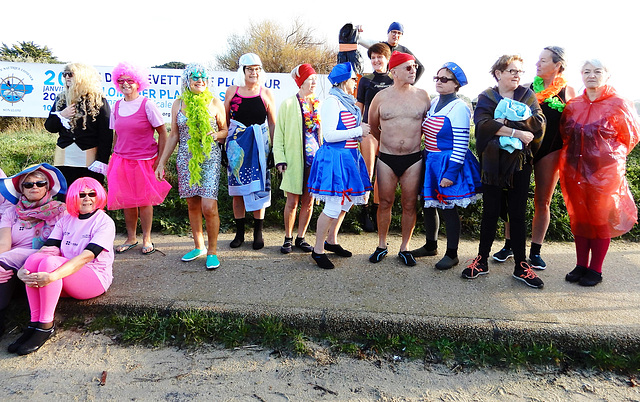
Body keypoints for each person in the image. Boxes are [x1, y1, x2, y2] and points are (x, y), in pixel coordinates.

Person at [463, 55, 546, 289]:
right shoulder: (486, 97)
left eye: (520, 71)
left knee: (518, 214)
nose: (517, 75)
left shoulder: (527, 96)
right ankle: (481, 260)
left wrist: (503, 122)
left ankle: (521, 265)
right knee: (490, 212)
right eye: (512, 71)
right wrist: (517, 132)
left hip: (520, 164)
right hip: (492, 165)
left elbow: (538, 124)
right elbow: (483, 125)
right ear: (498, 74)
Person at [8, 177, 115, 355]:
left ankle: (46, 325)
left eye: (92, 194)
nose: (87, 198)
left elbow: (85, 257)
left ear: (99, 196)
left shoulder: (104, 222)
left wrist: (53, 276)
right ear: (73, 197)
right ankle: (34, 322)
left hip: (94, 278)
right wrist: (22, 270)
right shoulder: (66, 220)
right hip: (64, 277)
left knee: (49, 262)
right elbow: (47, 249)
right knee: (35, 260)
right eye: (82, 194)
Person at [493, 47, 576, 269]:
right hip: (524, 149)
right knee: (514, 197)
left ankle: (536, 250)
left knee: (543, 201)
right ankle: (509, 245)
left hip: (551, 151)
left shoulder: (568, 91)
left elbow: (575, 126)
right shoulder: (526, 88)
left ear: (557, 65)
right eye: (538, 60)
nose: (537, 64)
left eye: (543, 60)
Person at [559, 59, 639, 286]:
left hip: (605, 172)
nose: (591, 75)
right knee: (579, 217)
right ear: (581, 75)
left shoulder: (619, 104)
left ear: (607, 74)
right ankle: (580, 264)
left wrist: (608, 160)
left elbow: (630, 137)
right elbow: (565, 133)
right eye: (586, 71)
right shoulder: (573, 104)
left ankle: (596, 268)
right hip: (574, 170)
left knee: (600, 218)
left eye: (597, 71)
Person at [155, 64, 228, 270]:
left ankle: (212, 251)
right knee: (192, 205)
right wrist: (161, 163)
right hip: (186, 160)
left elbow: (225, 130)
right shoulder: (178, 103)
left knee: (208, 206)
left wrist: (217, 135)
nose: (200, 81)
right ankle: (199, 246)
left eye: (203, 78)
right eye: (195, 77)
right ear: (187, 80)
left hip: (209, 159)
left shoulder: (215, 102)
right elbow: (173, 135)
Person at [416, 63, 482, 270]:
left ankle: (452, 254)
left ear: (456, 85)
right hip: (431, 159)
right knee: (429, 204)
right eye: (437, 78)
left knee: (449, 207)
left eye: (445, 79)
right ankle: (430, 245)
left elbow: (462, 143)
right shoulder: (434, 102)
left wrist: (451, 173)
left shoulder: (459, 107)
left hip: (449, 161)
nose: (439, 82)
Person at [367, 51, 430, 266]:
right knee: (384, 203)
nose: (414, 70)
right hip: (386, 158)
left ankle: (405, 247)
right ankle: (382, 245)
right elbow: (373, 127)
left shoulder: (422, 96)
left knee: (410, 204)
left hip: (413, 158)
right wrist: (387, 145)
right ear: (393, 71)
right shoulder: (381, 97)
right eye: (408, 67)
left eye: (414, 66)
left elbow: (427, 126)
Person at [307, 62, 372, 269]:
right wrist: (358, 130)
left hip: (349, 157)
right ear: (344, 80)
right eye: (354, 79)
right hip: (335, 157)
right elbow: (329, 135)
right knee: (333, 206)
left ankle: (331, 241)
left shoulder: (348, 102)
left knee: (347, 202)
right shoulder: (332, 102)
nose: (356, 82)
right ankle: (317, 250)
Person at [108, 62, 172, 256]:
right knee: (127, 201)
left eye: (130, 80)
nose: (125, 84)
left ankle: (146, 238)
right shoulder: (116, 106)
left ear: (138, 83)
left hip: (145, 160)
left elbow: (163, 133)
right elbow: (116, 134)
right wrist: (114, 153)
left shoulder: (147, 104)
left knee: (144, 201)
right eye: (121, 81)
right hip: (122, 160)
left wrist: (160, 161)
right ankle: (131, 238)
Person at [0, 164, 67, 336]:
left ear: (48, 187)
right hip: (11, 261)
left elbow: (62, 245)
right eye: (28, 184)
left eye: (40, 183)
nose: (34, 187)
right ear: (21, 189)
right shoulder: (11, 212)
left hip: (44, 257)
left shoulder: (60, 210)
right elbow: (4, 245)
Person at [224, 53, 276, 250]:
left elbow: (272, 123)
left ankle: (258, 233)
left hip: (259, 147)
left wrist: (274, 150)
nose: (253, 72)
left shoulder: (266, 93)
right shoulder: (232, 92)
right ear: (243, 71)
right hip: (236, 147)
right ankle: (239, 234)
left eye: (257, 69)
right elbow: (225, 121)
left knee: (259, 189)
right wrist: (224, 146)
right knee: (238, 192)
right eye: (249, 69)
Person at [273, 64, 321, 254]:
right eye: (311, 79)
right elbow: (279, 135)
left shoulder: (317, 103)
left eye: (315, 79)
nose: (314, 82)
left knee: (308, 202)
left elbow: (320, 134)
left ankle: (301, 238)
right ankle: (288, 238)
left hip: (315, 161)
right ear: (301, 82)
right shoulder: (288, 104)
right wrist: (280, 159)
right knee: (292, 201)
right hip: (293, 161)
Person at [44, 63, 113, 189]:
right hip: (64, 156)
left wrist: (102, 160)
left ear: (83, 77)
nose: (66, 77)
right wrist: (61, 115)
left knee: (88, 194)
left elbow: (106, 134)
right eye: (64, 74)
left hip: (89, 158)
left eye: (70, 74)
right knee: (65, 196)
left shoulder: (98, 100)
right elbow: (50, 127)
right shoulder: (61, 98)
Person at [355, 43, 393, 232]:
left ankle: (379, 211)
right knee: (367, 171)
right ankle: (364, 210)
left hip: (388, 132)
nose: (376, 61)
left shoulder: (395, 79)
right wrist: (356, 128)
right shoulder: (365, 80)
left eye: (380, 57)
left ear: (387, 59)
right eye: (373, 57)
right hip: (368, 131)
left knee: (383, 175)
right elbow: (359, 105)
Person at [358, 22, 425, 83]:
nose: (396, 35)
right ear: (388, 33)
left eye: (399, 33)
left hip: (395, 84)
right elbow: (359, 40)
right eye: (393, 32)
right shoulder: (379, 46)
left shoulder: (403, 50)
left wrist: (410, 84)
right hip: (376, 80)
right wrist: (356, 31)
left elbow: (421, 67)